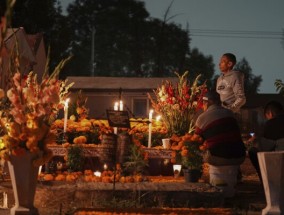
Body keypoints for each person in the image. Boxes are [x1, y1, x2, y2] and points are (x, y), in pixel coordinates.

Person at [194, 91, 246, 166]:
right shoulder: (230, 113)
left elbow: (195, 140)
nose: (203, 106)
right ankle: (236, 172)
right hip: (240, 156)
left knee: (191, 148)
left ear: (208, 103)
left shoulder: (202, 117)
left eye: (203, 103)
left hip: (218, 157)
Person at [248, 100, 284, 182]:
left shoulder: (270, 124)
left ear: (270, 113)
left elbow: (266, 146)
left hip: (279, 160)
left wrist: (255, 140)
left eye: (266, 116)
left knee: (253, 151)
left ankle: (265, 180)